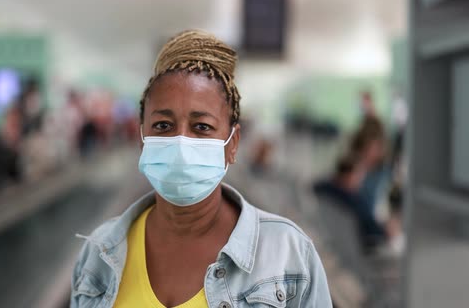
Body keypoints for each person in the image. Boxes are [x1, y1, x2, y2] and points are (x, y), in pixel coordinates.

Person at [71, 30, 331, 308]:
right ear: (142, 137)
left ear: (232, 144)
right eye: (163, 126)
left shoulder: (288, 256)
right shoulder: (98, 254)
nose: (181, 142)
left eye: (202, 127)